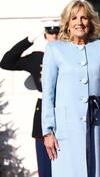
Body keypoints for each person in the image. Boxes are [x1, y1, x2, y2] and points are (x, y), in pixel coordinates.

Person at [41, 0, 100, 177]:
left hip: (99, 128)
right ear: (67, 23)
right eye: (74, 18)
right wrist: (47, 131)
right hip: (65, 130)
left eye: (84, 18)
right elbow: (48, 94)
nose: (79, 22)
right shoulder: (54, 50)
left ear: (91, 22)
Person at [0, 20, 59, 177]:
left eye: (58, 31)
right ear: (46, 35)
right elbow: (6, 62)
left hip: (67, 113)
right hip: (43, 114)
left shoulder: (72, 56)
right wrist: (29, 40)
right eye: (51, 32)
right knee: (46, 169)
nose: (55, 35)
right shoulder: (37, 58)